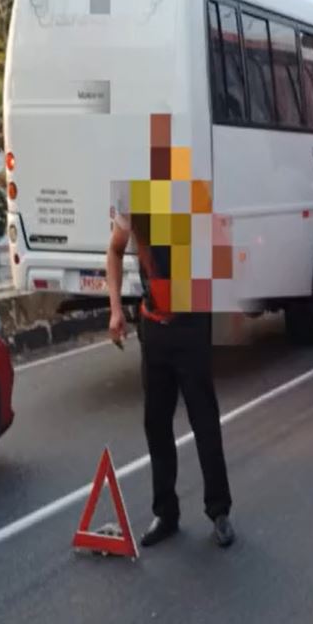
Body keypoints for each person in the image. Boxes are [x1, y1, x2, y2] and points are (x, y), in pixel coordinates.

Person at [106, 208, 235, 549]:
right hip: (154, 328)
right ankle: (166, 513)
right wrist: (116, 309)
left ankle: (219, 511)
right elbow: (115, 250)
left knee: (203, 419)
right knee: (156, 423)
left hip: (190, 326)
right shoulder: (131, 206)